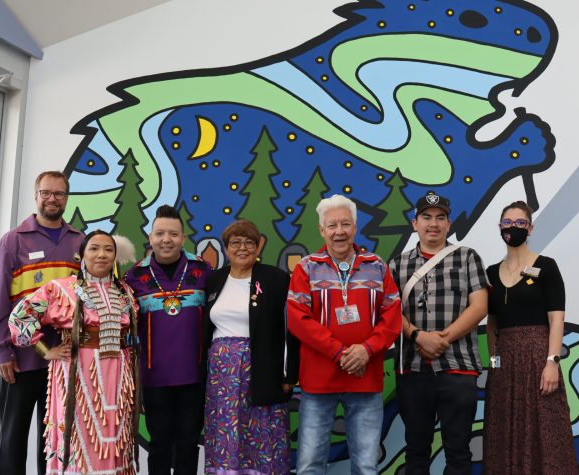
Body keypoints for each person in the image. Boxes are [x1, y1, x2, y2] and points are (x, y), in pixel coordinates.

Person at [8, 230, 141, 474]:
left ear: (114, 256)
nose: (101, 254)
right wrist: (45, 349)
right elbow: (20, 317)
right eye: (94, 249)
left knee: (115, 433)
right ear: (81, 254)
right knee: (79, 435)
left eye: (108, 249)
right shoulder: (61, 289)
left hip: (118, 375)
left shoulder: (125, 292)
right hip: (78, 374)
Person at [287, 194, 401, 474]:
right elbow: (298, 319)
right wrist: (339, 351)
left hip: (366, 377)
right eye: (332, 225)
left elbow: (392, 315)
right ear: (321, 230)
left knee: (365, 464)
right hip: (318, 382)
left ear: (355, 227)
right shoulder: (306, 267)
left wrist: (367, 349)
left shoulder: (377, 266)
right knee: (310, 464)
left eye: (345, 224)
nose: (339, 231)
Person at [0, 170, 84, 474]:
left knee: (55, 440)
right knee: (13, 435)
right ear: (36, 195)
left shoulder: (81, 242)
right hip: (22, 358)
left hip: (64, 361)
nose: (53, 199)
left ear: (66, 198)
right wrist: (2, 350)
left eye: (59, 194)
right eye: (47, 193)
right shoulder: (13, 241)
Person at [389, 192, 488, 475]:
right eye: (427, 217)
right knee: (416, 449)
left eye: (440, 218)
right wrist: (419, 336)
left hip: (458, 367)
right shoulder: (397, 264)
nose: (433, 224)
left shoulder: (468, 257)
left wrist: (441, 339)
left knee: (458, 450)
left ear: (449, 223)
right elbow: (389, 311)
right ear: (414, 223)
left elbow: (479, 306)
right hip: (413, 368)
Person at [483, 201, 578, 475]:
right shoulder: (490, 273)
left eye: (520, 223)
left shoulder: (546, 267)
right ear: (500, 227)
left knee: (546, 428)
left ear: (531, 227)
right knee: (504, 429)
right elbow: (492, 323)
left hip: (538, 358)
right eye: (507, 222)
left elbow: (556, 318)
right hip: (506, 362)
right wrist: (494, 363)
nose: (513, 227)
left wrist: (552, 362)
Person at [202, 219, 299, 473]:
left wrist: (289, 373)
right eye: (235, 242)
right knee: (225, 432)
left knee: (262, 433)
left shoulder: (275, 279)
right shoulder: (213, 281)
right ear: (226, 248)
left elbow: (291, 329)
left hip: (263, 370)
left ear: (258, 247)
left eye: (249, 242)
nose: (242, 248)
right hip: (221, 378)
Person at [123, 204, 212, 475]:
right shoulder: (134, 276)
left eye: (173, 234)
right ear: (150, 237)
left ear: (183, 238)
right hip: (154, 377)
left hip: (194, 377)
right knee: (159, 445)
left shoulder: (203, 270)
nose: (166, 240)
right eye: (160, 233)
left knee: (188, 445)